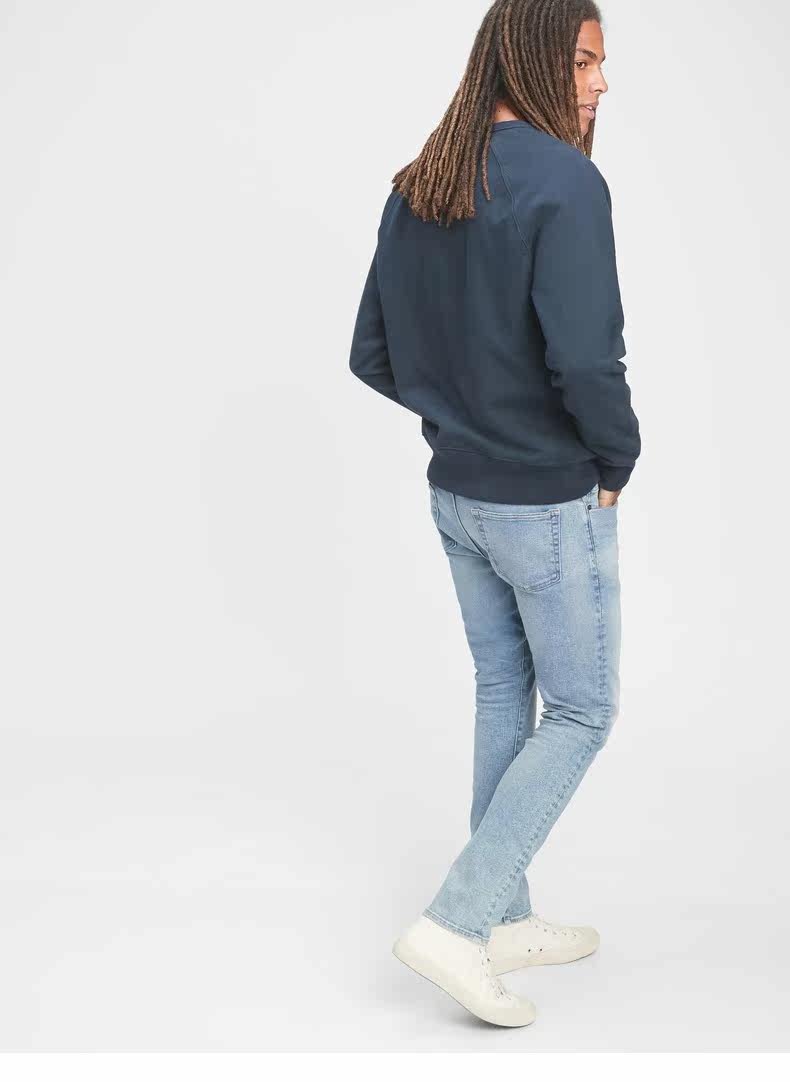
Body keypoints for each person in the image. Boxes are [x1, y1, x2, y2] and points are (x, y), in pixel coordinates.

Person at [348, 0, 640, 1028]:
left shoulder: (422, 178)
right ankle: (457, 919)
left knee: (505, 692)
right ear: (531, 56)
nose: (600, 83)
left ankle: (502, 916)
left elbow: (372, 353)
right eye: (586, 61)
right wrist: (616, 457)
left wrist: (465, 415)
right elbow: (586, 360)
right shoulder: (564, 180)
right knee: (583, 711)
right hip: (545, 499)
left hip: (457, 494)